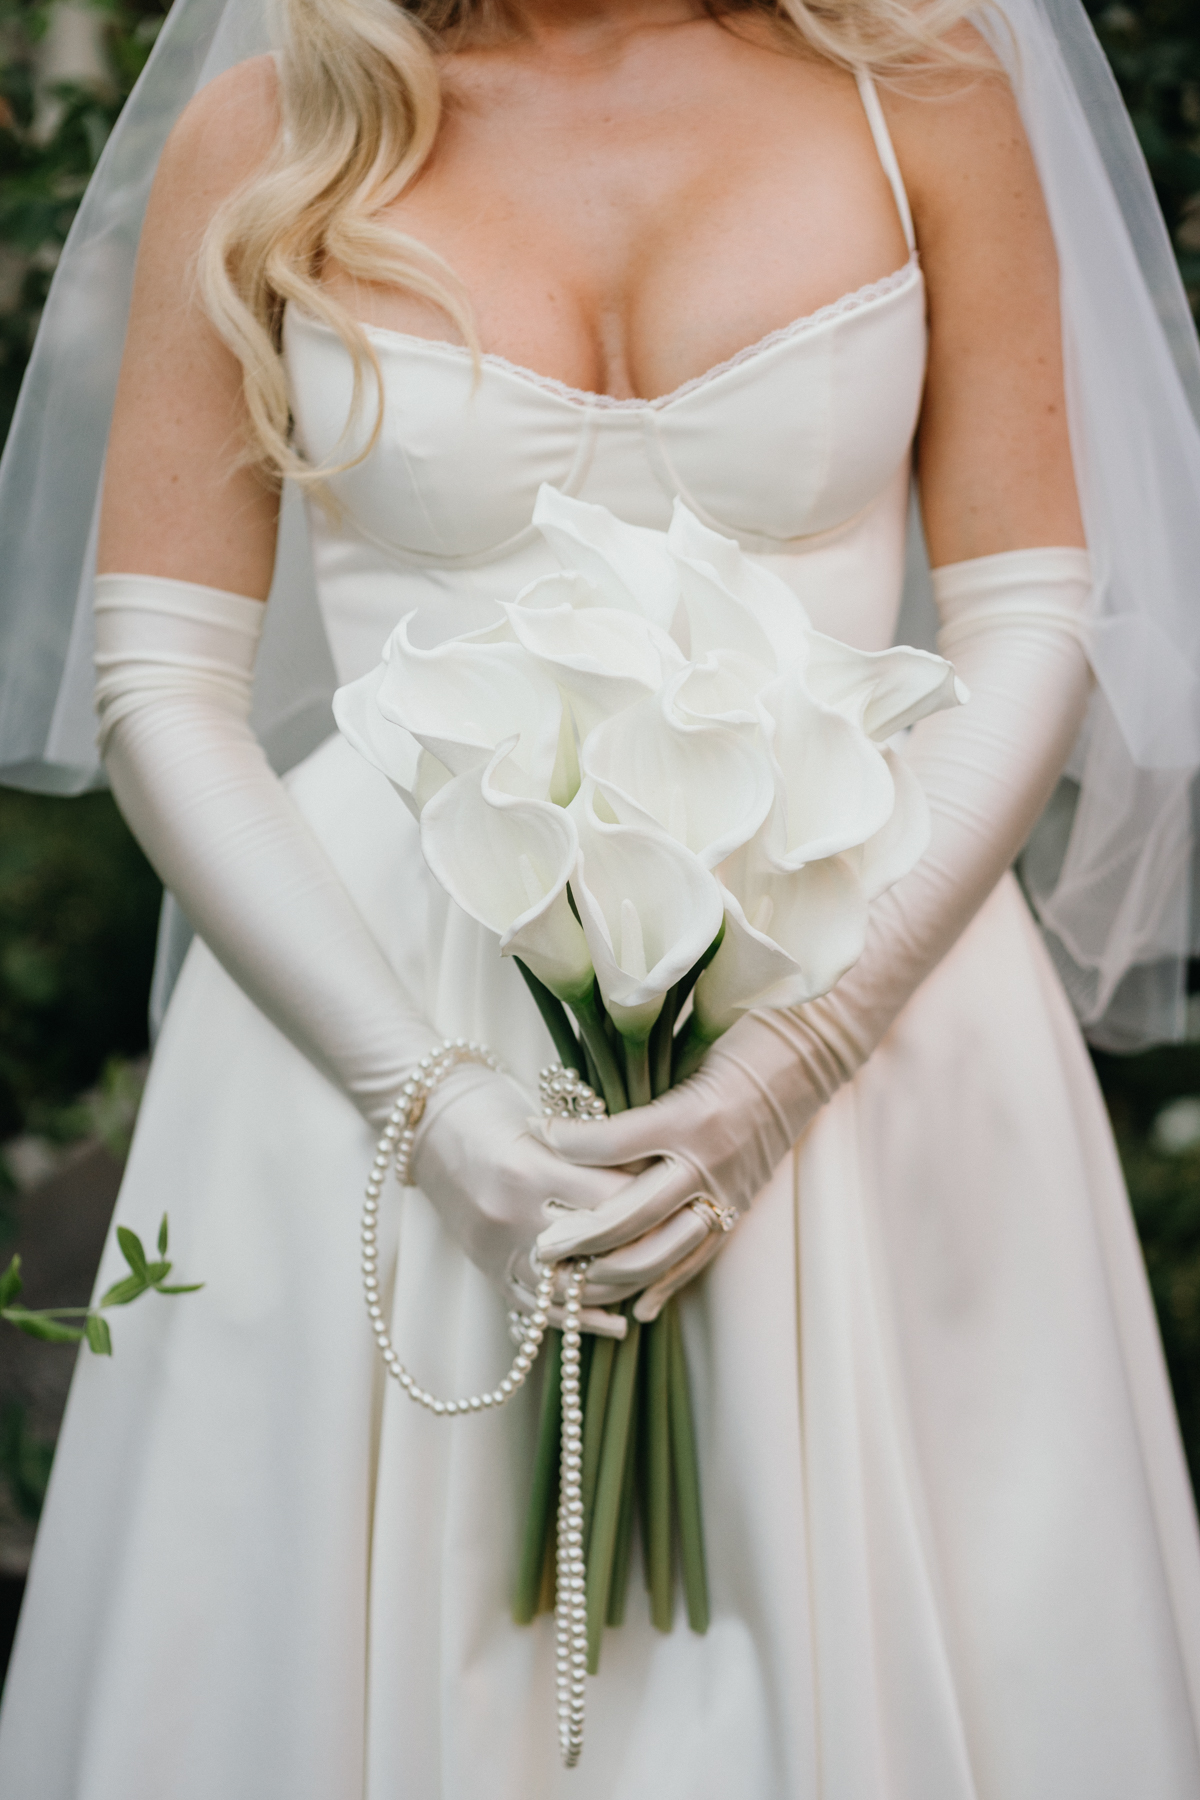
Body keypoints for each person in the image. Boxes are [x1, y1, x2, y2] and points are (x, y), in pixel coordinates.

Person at [0, 0, 1198, 1791]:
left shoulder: (922, 96)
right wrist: (430, 1099)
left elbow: (1032, 611)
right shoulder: (271, 140)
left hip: (861, 1017)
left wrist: (798, 1055)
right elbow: (163, 679)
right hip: (379, 1026)